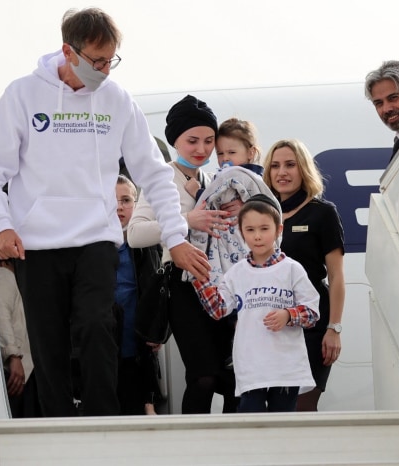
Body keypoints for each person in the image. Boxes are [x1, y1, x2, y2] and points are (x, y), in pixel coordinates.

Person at [0, 8, 209, 417]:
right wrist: (1, 225)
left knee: (98, 325)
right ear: (69, 51)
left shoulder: (116, 100)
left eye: (111, 60)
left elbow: (153, 173)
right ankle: (59, 427)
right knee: (48, 342)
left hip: (96, 239)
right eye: (97, 61)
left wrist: (175, 236)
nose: (105, 70)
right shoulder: (23, 95)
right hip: (38, 243)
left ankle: (103, 423)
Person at [128, 94, 237, 414]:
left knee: (232, 380)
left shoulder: (212, 180)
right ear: (175, 140)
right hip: (182, 287)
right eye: (192, 140)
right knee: (203, 376)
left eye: (208, 141)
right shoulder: (162, 179)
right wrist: (185, 221)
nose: (201, 149)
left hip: (218, 286)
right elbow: (135, 235)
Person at [191, 195, 319, 412]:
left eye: (264, 229)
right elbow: (218, 310)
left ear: (278, 230)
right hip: (251, 369)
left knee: (282, 428)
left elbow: (313, 312)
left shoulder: (292, 269)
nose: (257, 236)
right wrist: (200, 278)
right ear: (241, 232)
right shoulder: (236, 273)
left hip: (286, 368)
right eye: (250, 230)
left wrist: (288, 315)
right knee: (252, 426)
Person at [263, 139, 346, 412]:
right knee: (273, 409)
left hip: (312, 324)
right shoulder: (261, 215)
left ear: (304, 170)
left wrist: (334, 329)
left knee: (301, 408)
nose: (281, 172)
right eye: (275, 166)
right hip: (271, 325)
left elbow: (336, 277)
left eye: (290, 165)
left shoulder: (323, 213)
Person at [186, 118, 277, 286]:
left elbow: (214, 200)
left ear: (250, 153)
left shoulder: (237, 175)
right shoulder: (249, 176)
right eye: (220, 153)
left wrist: (197, 192)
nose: (225, 158)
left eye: (231, 153)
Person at [114, 175, 164, 415]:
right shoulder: (95, 246)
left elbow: (157, 287)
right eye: (113, 201)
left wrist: (157, 328)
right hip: (109, 332)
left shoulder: (146, 243)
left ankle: (149, 405)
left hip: (138, 329)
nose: (119, 207)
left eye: (126, 200)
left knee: (143, 399)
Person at [0, 252, 40, 418]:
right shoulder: (3, 274)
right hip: (15, 371)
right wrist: (13, 356)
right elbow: (0, 314)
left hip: (19, 368)